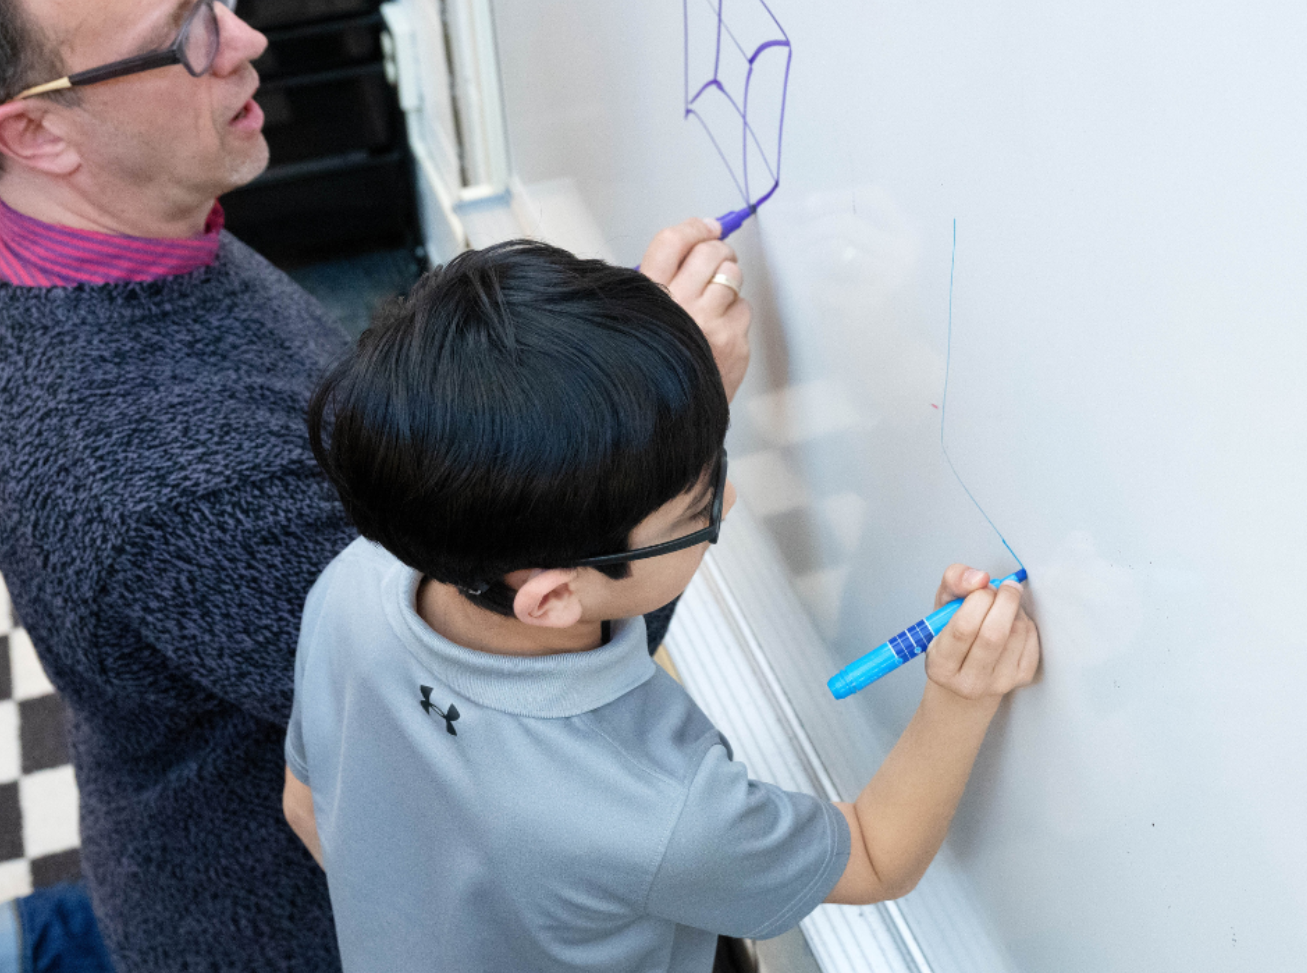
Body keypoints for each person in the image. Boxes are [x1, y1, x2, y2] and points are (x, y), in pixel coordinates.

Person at [0, 0, 752, 970]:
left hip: (190, 808)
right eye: (182, 33)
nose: (245, 37)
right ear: (34, 132)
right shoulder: (183, 486)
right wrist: (669, 417)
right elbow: (522, 720)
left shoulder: (78, 239)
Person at [285, 242, 1041, 971]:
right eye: (698, 511)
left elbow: (304, 805)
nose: (732, 498)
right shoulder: (663, 809)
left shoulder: (359, 580)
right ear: (551, 598)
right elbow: (876, 857)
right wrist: (962, 694)